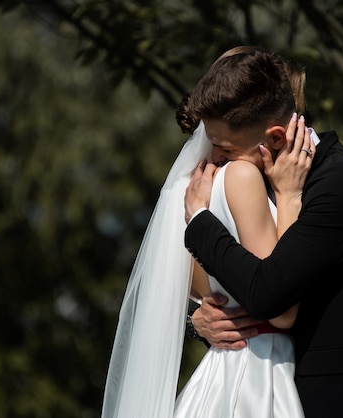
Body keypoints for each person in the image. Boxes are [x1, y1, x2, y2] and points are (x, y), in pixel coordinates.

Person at [184, 46, 343, 417]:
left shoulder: (340, 186)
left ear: (273, 139)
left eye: (225, 148)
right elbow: (206, 283)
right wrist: (198, 321)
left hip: (341, 402)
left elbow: (269, 294)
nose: (216, 158)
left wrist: (200, 219)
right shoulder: (253, 177)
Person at [101, 46, 312, 418]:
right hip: (261, 376)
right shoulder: (243, 178)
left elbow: (195, 293)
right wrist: (290, 196)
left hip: (217, 374)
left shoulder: (193, 190)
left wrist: (196, 320)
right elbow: (281, 308)